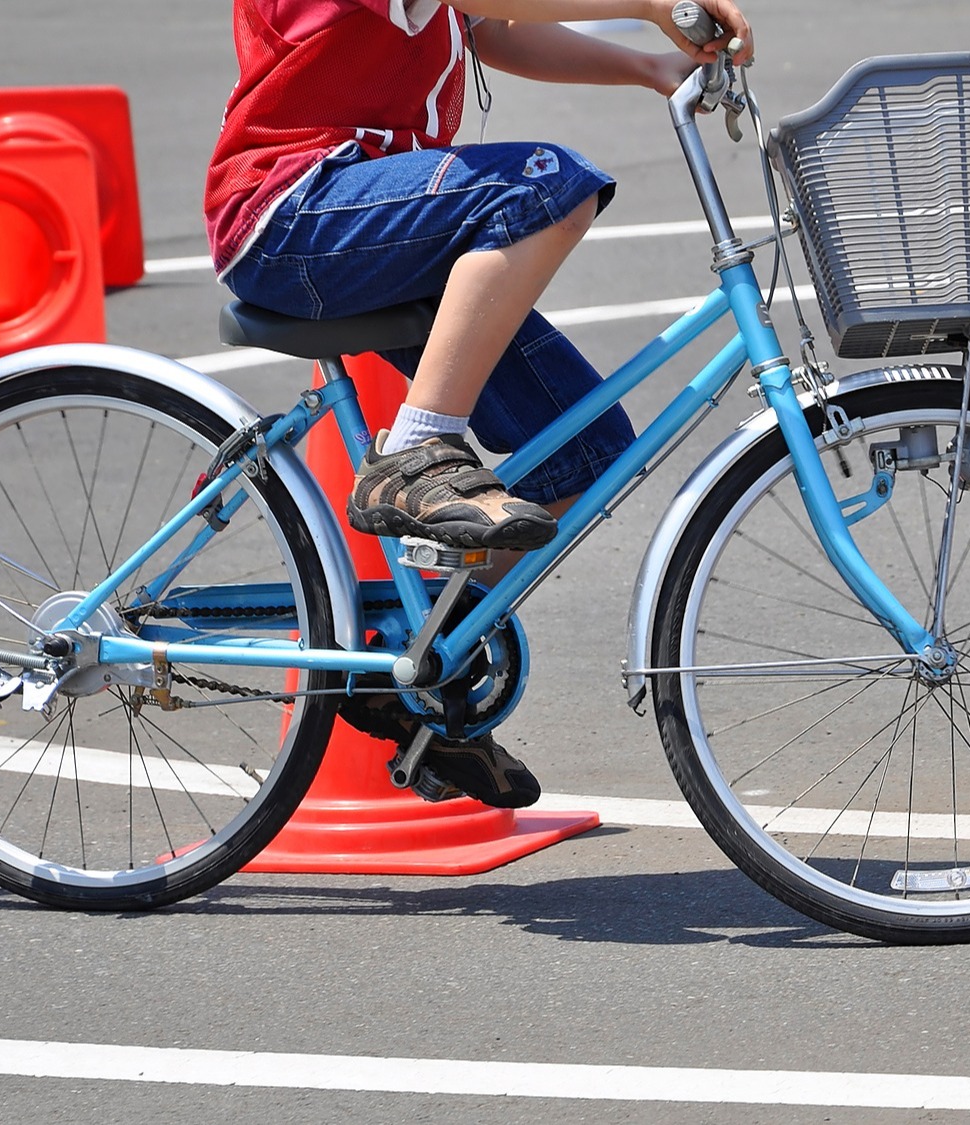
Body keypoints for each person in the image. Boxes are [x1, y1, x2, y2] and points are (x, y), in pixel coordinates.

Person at [203, 0, 753, 807]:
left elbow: (488, 31)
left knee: (588, 455)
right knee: (542, 185)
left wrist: (649, 64)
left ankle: (417, 664)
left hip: (368, 219)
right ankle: (414, 454)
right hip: (289, 212)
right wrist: (648, 5)